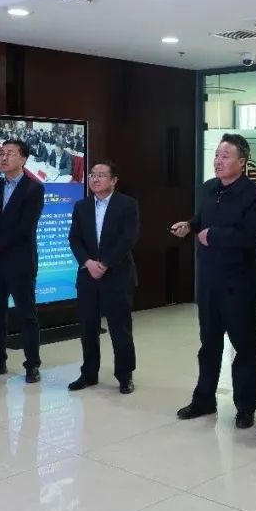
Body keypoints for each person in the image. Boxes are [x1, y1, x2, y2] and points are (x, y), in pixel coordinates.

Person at [170, 133, 256, 429]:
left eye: (225, 156)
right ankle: (204, 399)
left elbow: (251, 235)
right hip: (208, 281)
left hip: (239, 284)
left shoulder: (253, 195)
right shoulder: (208, 188)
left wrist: (213, 235)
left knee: (243, 346)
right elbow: (202, 218)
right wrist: (190, 225)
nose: (218, 161)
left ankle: (245, 407)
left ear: (242, 161)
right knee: (208, 344)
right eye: (216, 155)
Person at [0, 140, 45, 383]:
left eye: (10, 154)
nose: (3, 158)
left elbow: (26, 226)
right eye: (1, 154)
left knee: (26, 315)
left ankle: (32, 365)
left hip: (19, 261)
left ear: (24, 159)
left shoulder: (33, 189)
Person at [68, 161, 140, 393]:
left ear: (114, 180)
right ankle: (89, 374)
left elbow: (128, 238)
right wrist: (88, 262)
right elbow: (74, 238)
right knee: (88, 328)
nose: (95, 179)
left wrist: (106, 263)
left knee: (120, 328)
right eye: (92, 175)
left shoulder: (127, 204)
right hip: (88, 274)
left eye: (101, 175)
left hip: (117, 274)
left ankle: (125, 375)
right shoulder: (82, 206)